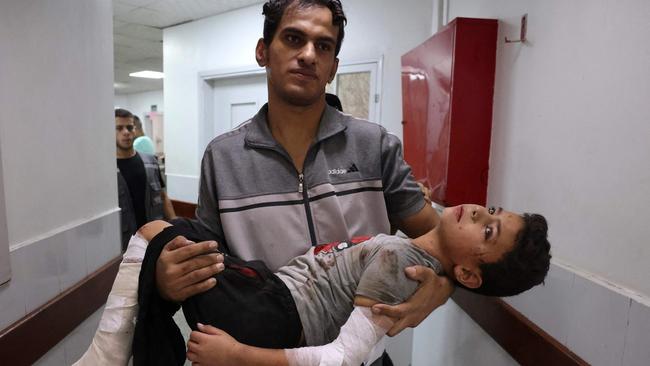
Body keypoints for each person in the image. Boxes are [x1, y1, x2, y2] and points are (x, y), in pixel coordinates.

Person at [155, 1, 450, 364]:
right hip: (260, 356)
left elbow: (445, 246)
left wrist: (440, 288)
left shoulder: (374, 146)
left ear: (333, 67)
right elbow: (211, 265)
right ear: (263, 51)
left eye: (323, 46)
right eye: (293, 39)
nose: (308, 55)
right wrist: (168, 284)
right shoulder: (224, 157)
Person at [73, 204, 551, 365]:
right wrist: (448, 283)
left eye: (488, 229)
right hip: (269, 291)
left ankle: (104, 358)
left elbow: (341, 359)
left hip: (273, 314)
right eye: (491, 209)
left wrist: (240, 357)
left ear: (470, 272)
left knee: (154, 232)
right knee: (171, 237)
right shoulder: (419, 254)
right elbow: (445, 227)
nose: (477, 213)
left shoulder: (404, 262)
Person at [116, 108, 176, 250]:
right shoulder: (106, 170)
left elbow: (162, 196)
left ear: (135, 129)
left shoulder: (150, 162)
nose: (126, 132)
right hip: (125, 244)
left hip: (155, 237)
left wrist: (175, 224)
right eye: (119, 128)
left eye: (130, 127)